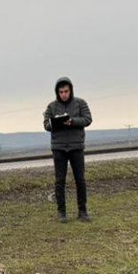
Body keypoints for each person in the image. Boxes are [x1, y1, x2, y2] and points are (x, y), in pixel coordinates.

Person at [43, 77, 93, 222]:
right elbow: (46, 125)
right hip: (59, 148)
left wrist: (72, 121)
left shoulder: (80, 103)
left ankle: (82, 211)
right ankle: (62, 213)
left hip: (76, 147)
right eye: (61, 92)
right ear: (57, 92)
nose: (64, 94)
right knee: (60, 181)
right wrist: (56, 123)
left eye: (66, 91)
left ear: (70, 90)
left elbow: (88, 119)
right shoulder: (51, 107)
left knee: (80, 180)